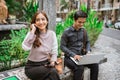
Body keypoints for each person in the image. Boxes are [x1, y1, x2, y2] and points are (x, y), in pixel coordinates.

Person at [60, 10, 99, 80]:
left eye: (83, 22)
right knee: (79, 68)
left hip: (81, 56)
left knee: (95, 64)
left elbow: (87, 42)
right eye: (79, 22)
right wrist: (73, 55)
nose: (81, 24)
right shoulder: (66, 32)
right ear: (74, 20)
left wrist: (88, 51)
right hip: (69, 58)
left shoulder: (84, 30)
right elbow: (62, 46)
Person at [22, 11, 60, 80]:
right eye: (38, 20)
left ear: (47, 21)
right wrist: (33, 31)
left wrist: (53, 61)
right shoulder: (31, 34)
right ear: (34, 23)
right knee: (53, 72)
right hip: (32, 67)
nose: (41, 22)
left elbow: (54, 50)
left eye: (43, 19)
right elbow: (25, 48)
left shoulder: (52, 34)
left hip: (45, 65)